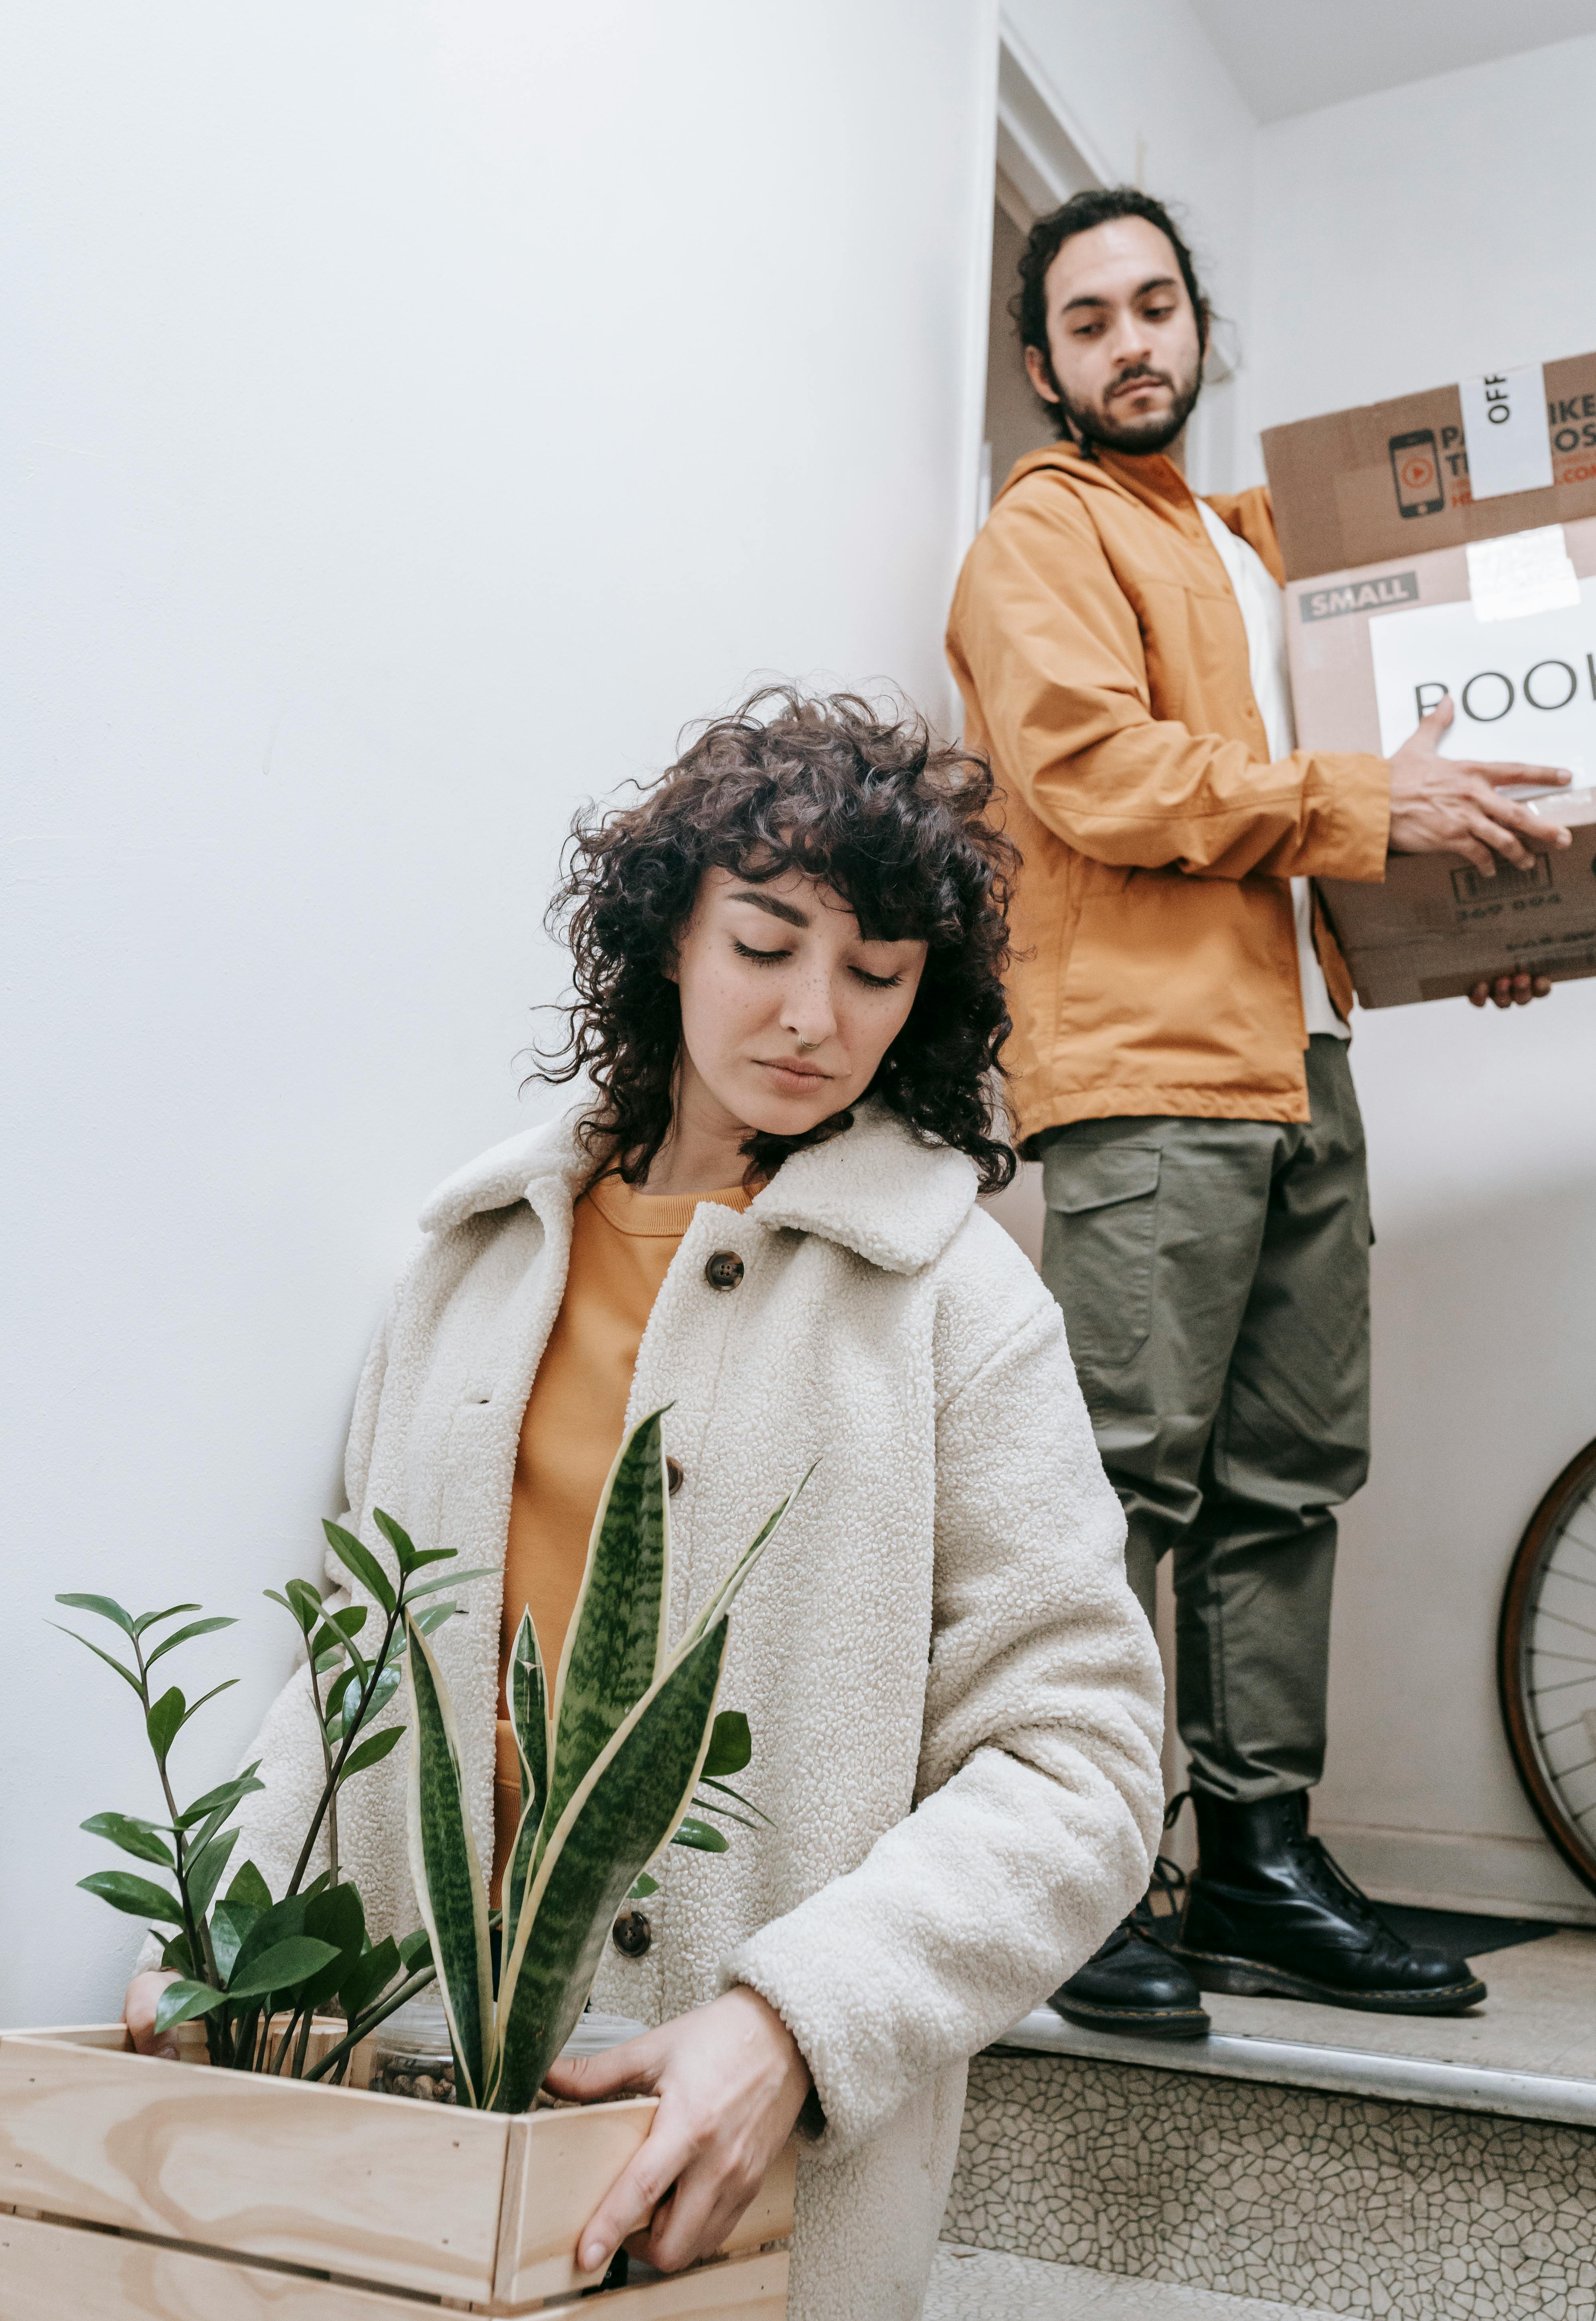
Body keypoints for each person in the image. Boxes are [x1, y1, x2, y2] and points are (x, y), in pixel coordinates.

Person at [125, 691, 1163, 2321]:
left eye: (875, 974)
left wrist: (792, 2023)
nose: (812, 1015)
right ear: (667, 930)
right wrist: (225, 1938)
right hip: (398, 2128)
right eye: (764, 942)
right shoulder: (470, 1267)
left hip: (736, 2191)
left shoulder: (959, 1303)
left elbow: (1083, 1770)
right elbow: (349, 1670)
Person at [946, 188, 1573, 2040]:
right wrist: (1373, 810)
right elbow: (1101, 777)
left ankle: (1256, 1865)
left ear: (1199, 328)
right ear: (1044, 364)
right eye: (1089, 318)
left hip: (1300, 1064)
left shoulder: (1251, 548)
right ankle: (1053, 1875)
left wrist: (1466, 905)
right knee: (1119, 1487)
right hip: (1142, 1077)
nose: (1131, 340)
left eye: (1157, 305)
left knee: (1285, 1486)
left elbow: (1333, 786)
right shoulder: (1035, 537)